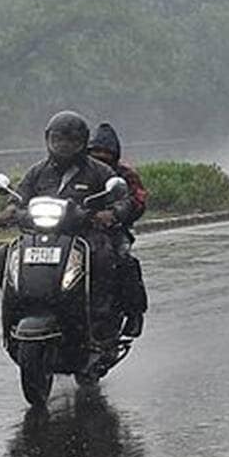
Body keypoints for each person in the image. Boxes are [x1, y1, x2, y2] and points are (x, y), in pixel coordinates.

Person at [0, 111, 134, 322]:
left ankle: (102, 310)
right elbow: (20, 196)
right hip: (41, 235)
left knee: (104, 256)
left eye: (71, 140)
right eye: (57, 139)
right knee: (2, 256)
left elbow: (124, 199)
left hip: (84, 233)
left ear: (83, 142)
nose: (63, 145)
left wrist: (110, 213)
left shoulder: (99, 171)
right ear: (48, 139)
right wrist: (11, 209)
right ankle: (18, 303)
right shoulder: (38, 171)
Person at [87, 123, 149, 338]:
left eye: (106, 152)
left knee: (123, 262)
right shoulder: (77, 171)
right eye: (96, 152)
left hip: (112, 231)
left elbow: (137, 200)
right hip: (76, 229)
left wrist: (115, 213)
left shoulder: (125, 175)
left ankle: (134, 313)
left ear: (115, 154)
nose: (100, 156)